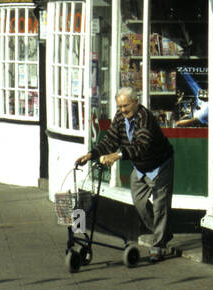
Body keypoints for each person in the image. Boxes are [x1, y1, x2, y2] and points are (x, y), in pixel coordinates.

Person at [76, 86, 178, 262]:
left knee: (160, 205)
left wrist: (116, 155)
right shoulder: (120, 118)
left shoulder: (144, 117)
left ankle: (158, 245)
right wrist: (91, 155)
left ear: (136, 102)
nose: (123, 110)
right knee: (139, 203)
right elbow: (110, 140)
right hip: (140, 167)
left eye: (126, 106)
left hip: (159, 165)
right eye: (120, 107)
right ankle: (162, 232)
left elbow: (141, 145)